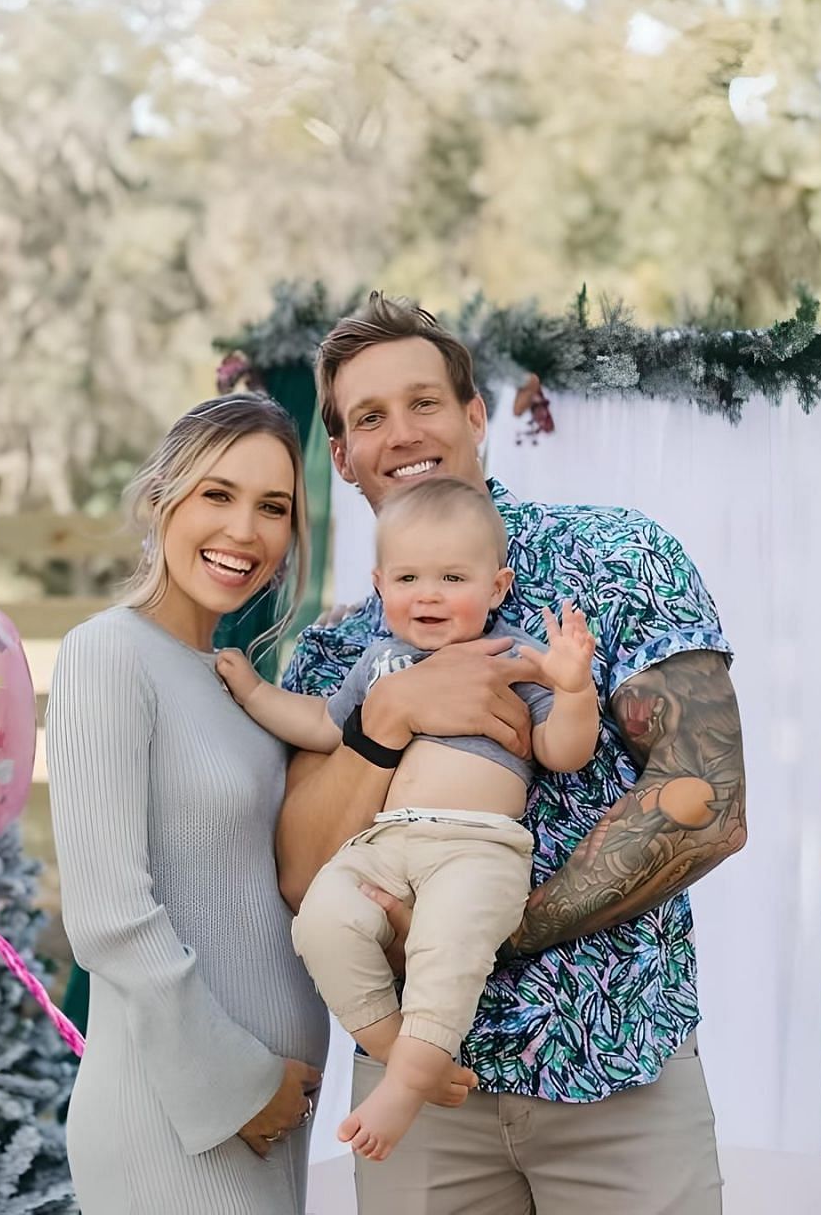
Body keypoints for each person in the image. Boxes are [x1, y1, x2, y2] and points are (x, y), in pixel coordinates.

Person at [276, 293, 747, 1214]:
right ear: (341, 456)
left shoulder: (615, 557)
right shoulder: (337, 649)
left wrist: (493, 924)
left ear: (475, 417)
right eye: (369, 417)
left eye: (425, 403)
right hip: (416, 1097)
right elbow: (302, 872)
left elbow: (708, 796)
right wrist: (391, 714)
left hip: (613, 1060)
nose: (402, 433)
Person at [216, 475, 599, 1162]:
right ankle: (403, 1053)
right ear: (380, 584)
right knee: (323, 923)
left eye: (453, 577)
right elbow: (322, 726)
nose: (428, 593)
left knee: (445, 949)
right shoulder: (377, 660)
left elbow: (563, 752)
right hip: (385, 843)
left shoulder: (512, 659)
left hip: (477, 848)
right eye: (409, 576)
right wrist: (251, 689)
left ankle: (400, 1089)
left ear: (497, 588)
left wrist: (571, 688)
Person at [46, 393, 332, 1215]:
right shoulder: (107, 655)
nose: (245, 531)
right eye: (218, 494)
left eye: (272, 508)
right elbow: (108, 914)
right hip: (177, 1115)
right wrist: (238, 1085)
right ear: (162, 497)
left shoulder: (236, 686)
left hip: (269, 1116)